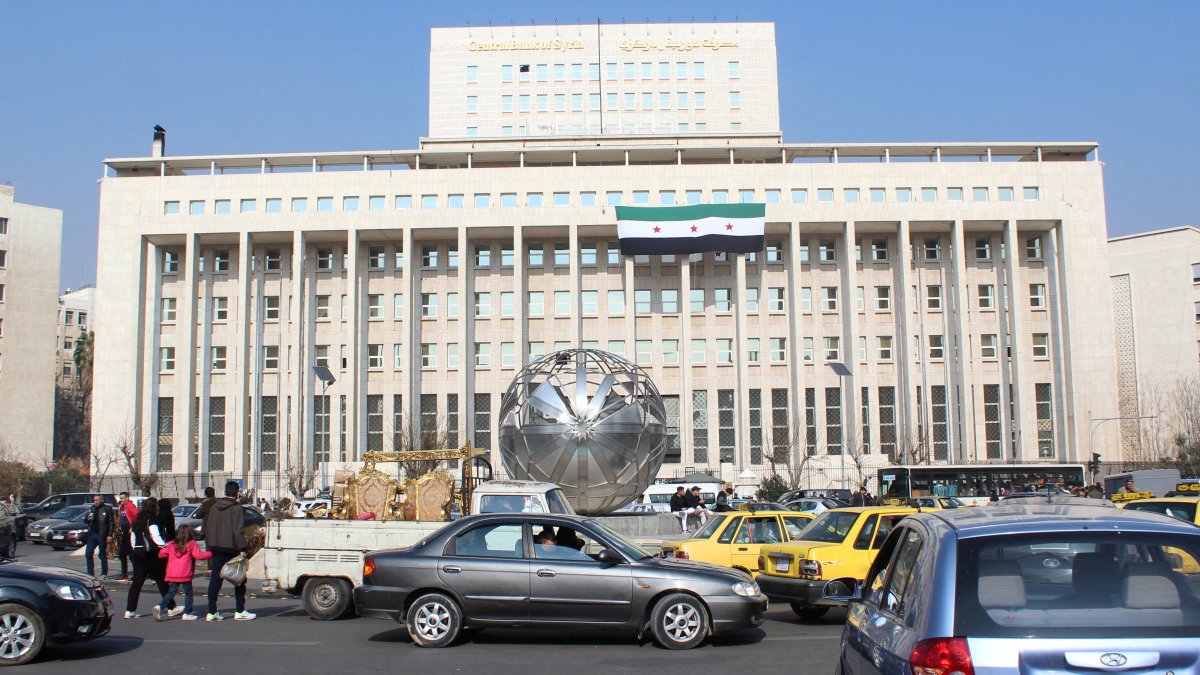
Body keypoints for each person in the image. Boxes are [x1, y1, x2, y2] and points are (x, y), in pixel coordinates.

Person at [205, 480, 255, 621]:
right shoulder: (236, 508)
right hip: (230, 546)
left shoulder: (215, 506)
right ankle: (240, 610)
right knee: (239, 579)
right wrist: (242, 548)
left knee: (215, 579)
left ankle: (211, 611)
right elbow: (238, 530)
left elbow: (209, 526)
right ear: (237, 493)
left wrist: (210, 544)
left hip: (216, 546)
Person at [154, 524, 211, 621]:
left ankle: (159, 607)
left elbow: (161, 554)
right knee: (188, 593)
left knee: (171, 592)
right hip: (185, 573)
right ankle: (187, 613)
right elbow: (199, 555)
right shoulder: (191, 543)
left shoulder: (171, 544)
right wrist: (211, 553)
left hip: (172, 573)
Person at [84, 495, 115, 578]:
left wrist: (110, 534)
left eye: (97, 500)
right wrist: (88, 518)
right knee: (88, 553)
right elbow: (85, 521)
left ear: (101, 500)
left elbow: (111, 523)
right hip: (93, 534)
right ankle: (90, 573)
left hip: (102, 534)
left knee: (102, 554)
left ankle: (104, 573)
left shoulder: (107, 508)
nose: (95, 502)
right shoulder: (92, 508)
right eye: (94, 500)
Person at [116, 492, 138, 581]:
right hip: (123, 532)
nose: (121, 500)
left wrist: (132, 527)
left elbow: (137, 516)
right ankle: (124, 573)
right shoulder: (121, 507)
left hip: (130, 533)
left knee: (131, 554)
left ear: (127, 498)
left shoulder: (130, 505)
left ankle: (136, 573)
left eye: (122, 498)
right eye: (120, 498)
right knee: (122, 554)